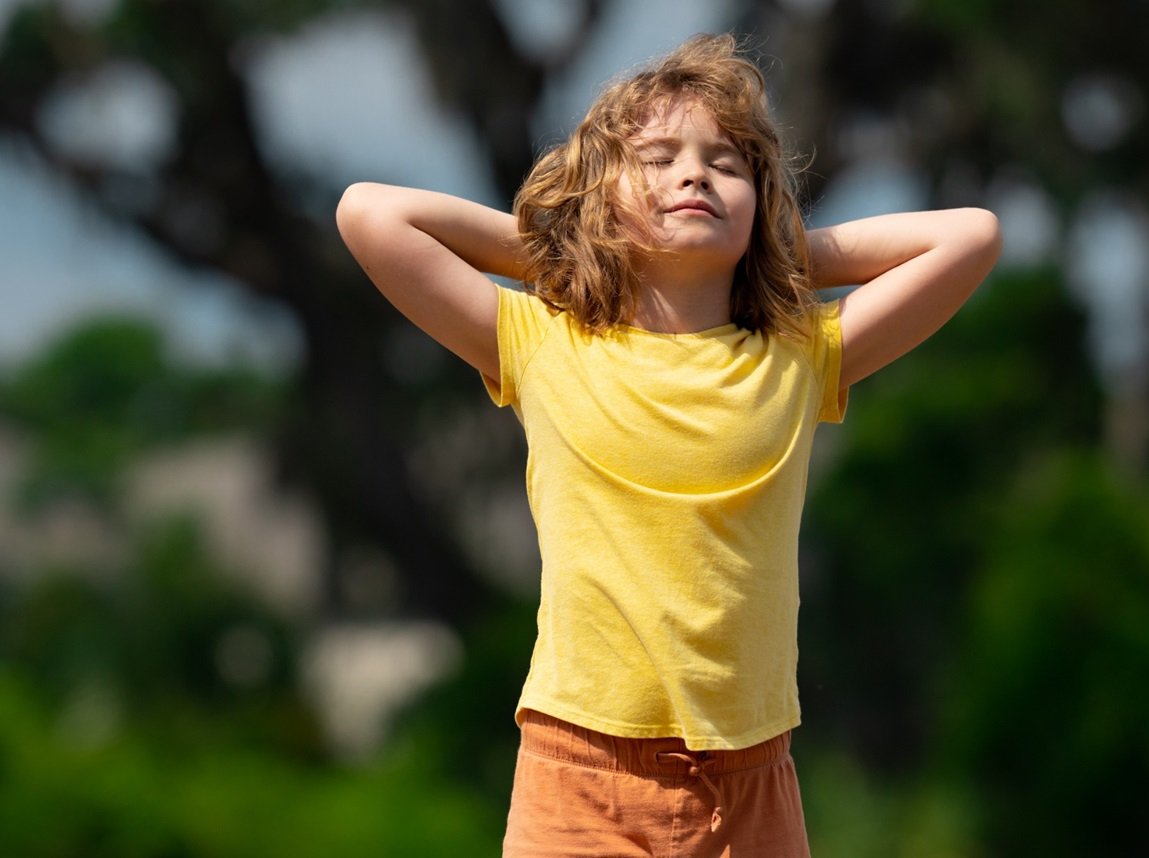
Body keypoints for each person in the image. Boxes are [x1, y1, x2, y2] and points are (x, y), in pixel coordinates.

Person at [337, 32, 1000, 858]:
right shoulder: (545, 342)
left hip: (751, 784)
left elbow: (970, 236)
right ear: (603, 196)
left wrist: (774, 258)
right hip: (580, 775)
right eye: (656, 159)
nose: (694, 174)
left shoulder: (798, 355)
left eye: (726, 165)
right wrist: (581, 247)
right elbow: (368, 212)